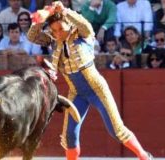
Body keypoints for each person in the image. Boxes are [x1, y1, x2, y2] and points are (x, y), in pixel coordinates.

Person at [27, 1, 153, 160]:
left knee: (116, 130)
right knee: (69, 136)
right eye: (54, 31)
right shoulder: (54, 40)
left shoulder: (83, 34)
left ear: (69, 24)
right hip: (76, 93)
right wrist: (40, 19)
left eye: (61, 29)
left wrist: (65, 11)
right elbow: (32, 36)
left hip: (97, 88)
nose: (58, 34)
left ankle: (144, 156)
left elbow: (84, 24)